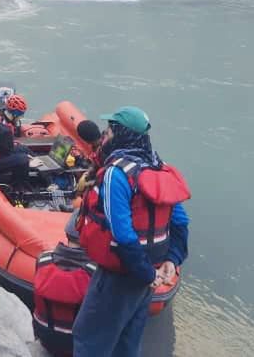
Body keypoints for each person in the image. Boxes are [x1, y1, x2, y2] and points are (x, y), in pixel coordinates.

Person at [73, 107, 191, 357]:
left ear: (119, 134)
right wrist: (172, 259)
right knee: (128, 343)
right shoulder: (159, 166)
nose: (104, 136)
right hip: (151, 271)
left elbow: (123, 234)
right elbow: (180, 220)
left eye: (108, 131)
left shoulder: (116, 172)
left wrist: (146, 274)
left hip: (121, 274)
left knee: (89, 338)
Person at [32, 212, 97, 357]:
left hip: (45, 337)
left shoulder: (43, 260)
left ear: (67, 234)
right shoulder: (96, 272)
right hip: (77, 344)